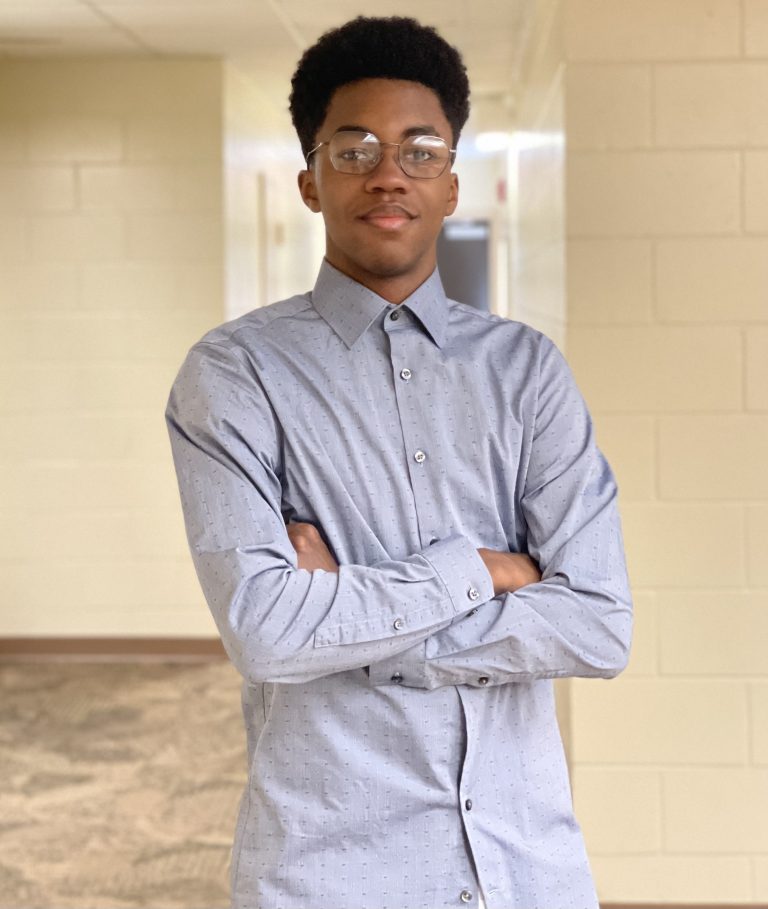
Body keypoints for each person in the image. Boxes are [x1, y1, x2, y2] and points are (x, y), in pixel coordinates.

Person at [166, 15, 632, 909]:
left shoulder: (527, 371)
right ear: (310, 180)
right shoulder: (235, 374)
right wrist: (483, 571)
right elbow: (266, 629)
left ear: (452, 183)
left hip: (523, 866)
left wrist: (347, 618)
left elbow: (598, 622)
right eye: (356, 149)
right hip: (332, 870)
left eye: (421, 150)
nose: (389, 173)